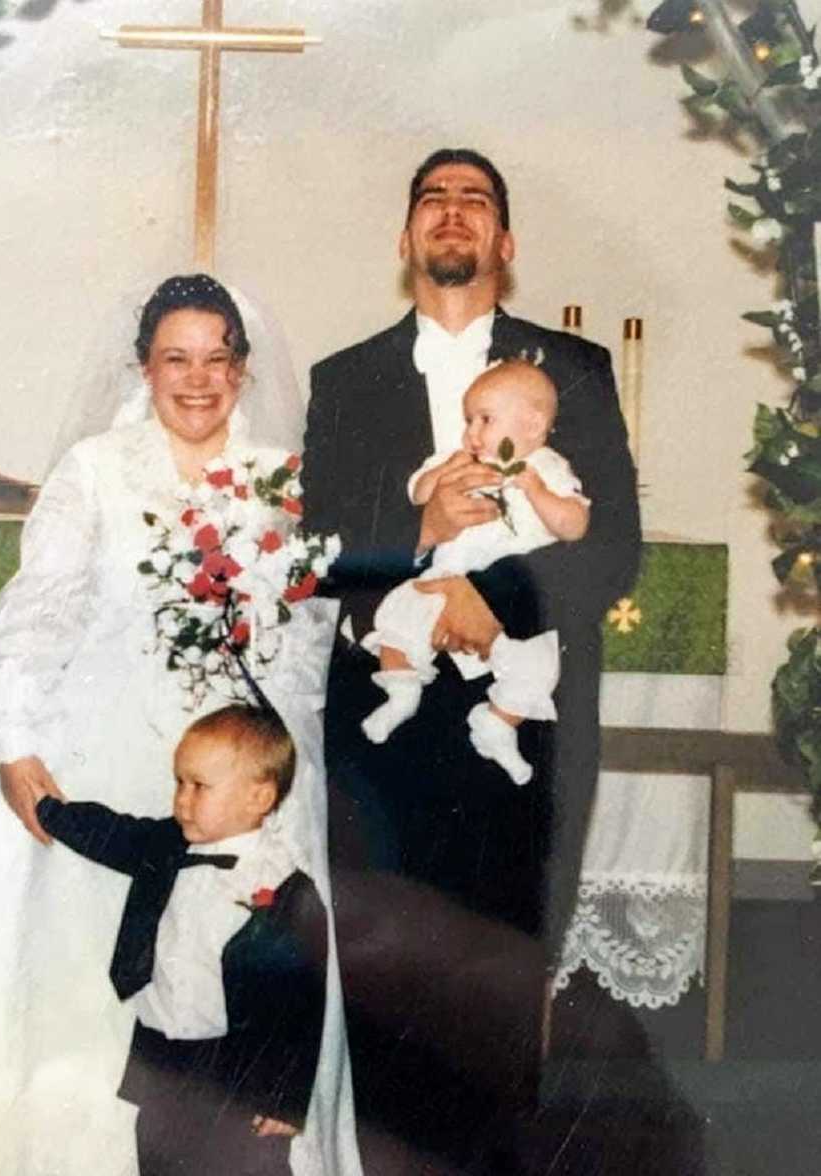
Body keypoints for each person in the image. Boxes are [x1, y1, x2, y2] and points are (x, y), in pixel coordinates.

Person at [0, 275, 361, 1176]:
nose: (196, 381)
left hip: (238, 767)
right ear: (144, 367)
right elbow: (37, 618)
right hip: (110, 749)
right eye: (175, 359)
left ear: (242, 368)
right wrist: (13, 744)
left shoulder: (282, 480)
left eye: (216, 359)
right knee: (90, 976)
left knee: (248, 966)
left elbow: (308, 634)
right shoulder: (96, 470)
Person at [303, 148, 640, 1166]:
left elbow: (614, 544)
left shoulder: (573, 372)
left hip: (524, 722)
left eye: (475, 201)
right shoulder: (345, 378)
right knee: (383, 981)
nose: (453, 213)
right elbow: (319, 548)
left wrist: (495, 603)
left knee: (501, 989)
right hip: (386, 725)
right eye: (433, 200)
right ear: (406, 238)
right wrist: (416, 543)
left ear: (505, 243)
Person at [33, 705, 328, 1176]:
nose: (182, 800)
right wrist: (49, 812)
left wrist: (286, 1099)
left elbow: (303, 1005)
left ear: (259, 797)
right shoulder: (167, 845)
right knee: (158, 1157)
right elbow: (114, 833)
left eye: (199, 786)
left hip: (238, 1073)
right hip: (166, 1056)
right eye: (179, 783)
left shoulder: (285, 887)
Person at [361, 358, 589, 787]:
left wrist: (536, 491)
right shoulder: (461, 458)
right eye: (469, 421)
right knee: (396, 620)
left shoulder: (548, 467)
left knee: (537, 668)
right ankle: (401, 693)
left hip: (508, 607)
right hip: (441, 582)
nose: (472, 433)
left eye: (484, 419)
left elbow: (574, 524)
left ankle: (498, 726)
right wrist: (442, 475)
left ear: (534, 425)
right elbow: (417, 492)